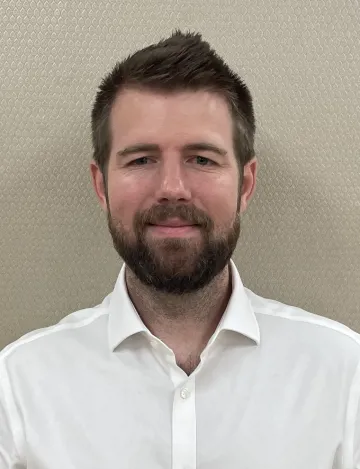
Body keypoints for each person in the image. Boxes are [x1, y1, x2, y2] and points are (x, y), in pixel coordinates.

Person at [0, 29, 359, 469]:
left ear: (246, 185)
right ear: (101, 185)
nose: (172, 189)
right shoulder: (18, 387)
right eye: (141, 160)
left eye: (202, 159)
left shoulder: (344, 375)